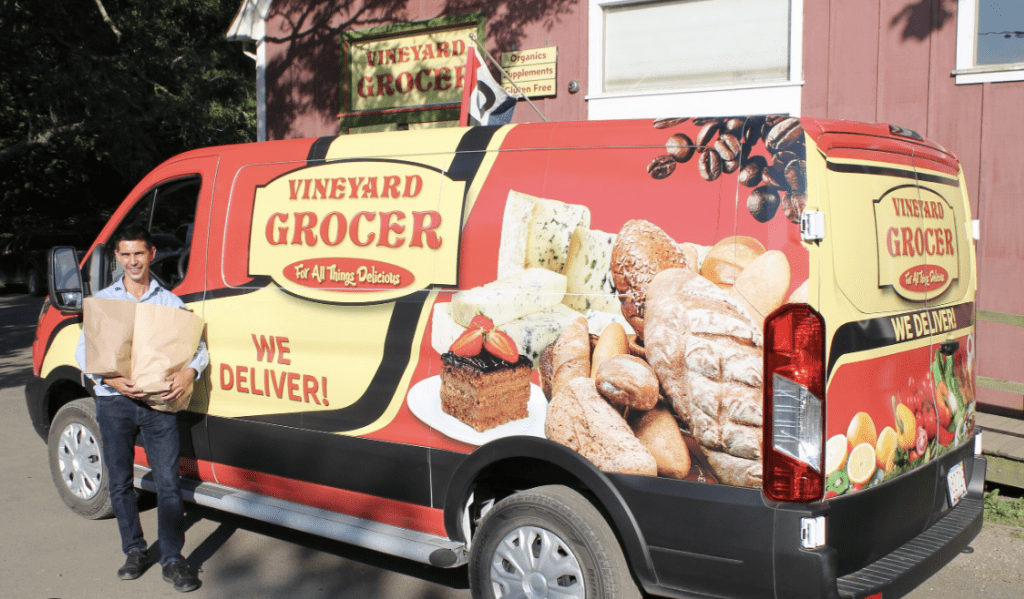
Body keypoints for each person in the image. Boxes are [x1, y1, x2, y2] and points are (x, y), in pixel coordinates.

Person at [75, 227, 208, 593]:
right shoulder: (103, 301)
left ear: (151, 254)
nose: (132, 262)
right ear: (117, 258)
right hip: (114, 403)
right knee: (119, 482)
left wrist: (189, 370)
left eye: (139, 254)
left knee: (167, 484)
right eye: (125, 255)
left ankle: (172, 559)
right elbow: (83, 351)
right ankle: (134, 550)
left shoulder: (169, 302)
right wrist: (113, 380)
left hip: (157, 405)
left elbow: (198, 348)